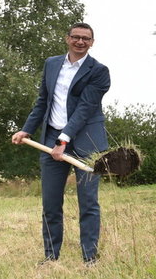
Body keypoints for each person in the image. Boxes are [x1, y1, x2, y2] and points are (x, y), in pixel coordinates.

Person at [11, 22, 111, 265]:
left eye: (85, 38)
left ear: (92, 42)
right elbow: (42, 101)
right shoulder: (51, 64)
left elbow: (86, 108)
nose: (80, 42)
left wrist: (63, 140)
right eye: (76, 37)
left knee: (88, 202)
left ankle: (90, 258)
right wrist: (26, 129)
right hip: (50, 140)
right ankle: (50, 257)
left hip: (86, 143)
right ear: (67, 39)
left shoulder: (99, 71)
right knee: (51, 203)